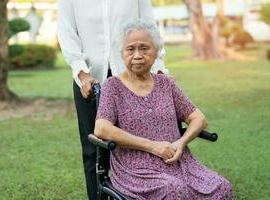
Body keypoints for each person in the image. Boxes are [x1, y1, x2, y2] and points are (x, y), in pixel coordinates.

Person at [94, 19, 233, 200]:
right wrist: (153, 146)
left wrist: (180, 143)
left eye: (144, 48)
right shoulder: (113, 86)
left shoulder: (165, 83)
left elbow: (199, 119)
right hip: (136, 168)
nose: (137, 55)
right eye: (130, 49)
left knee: (222, 186)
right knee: (173, 189)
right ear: (122, 53)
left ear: (156, 52)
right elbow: (101, 128)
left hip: (178, 161)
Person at [57, 1, 168, 199]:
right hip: (89, 81)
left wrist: (159, 68)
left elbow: (150, 25)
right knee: (94, 151)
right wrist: (82, 73)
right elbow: (66, 32)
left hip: (133, 76)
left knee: (136, 146)